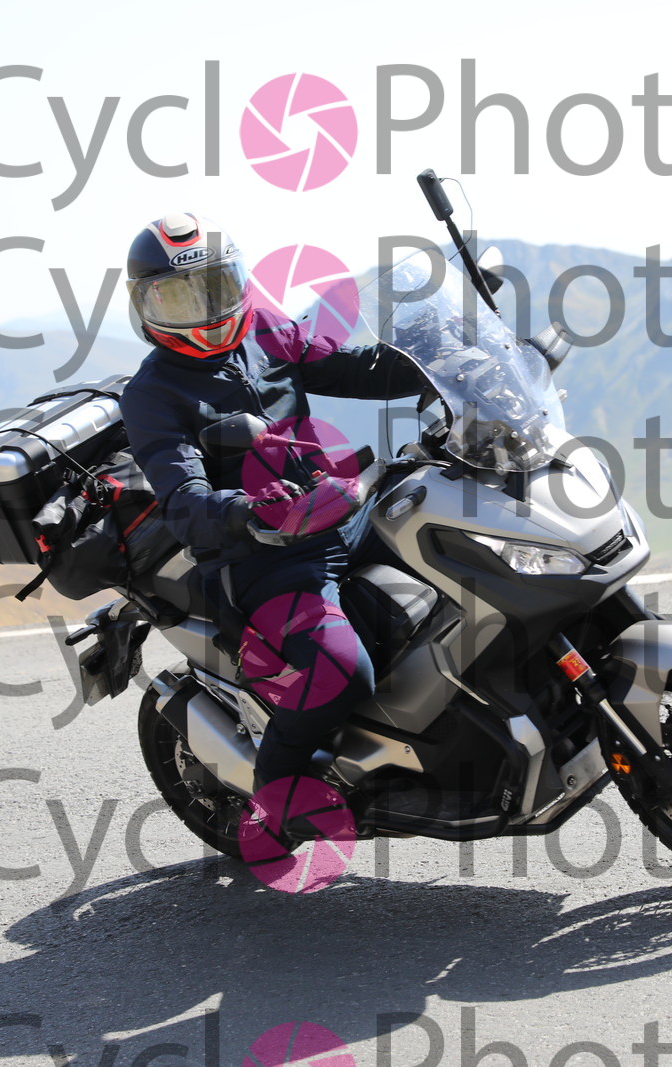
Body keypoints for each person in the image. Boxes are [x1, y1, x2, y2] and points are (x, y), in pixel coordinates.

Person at [119, 212, 424, 791]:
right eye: (179, 297)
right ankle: (275, 796)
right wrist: (248, 509)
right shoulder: (152, 394)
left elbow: (346, 368)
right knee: (341, 671)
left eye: (216, 286)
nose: (205, 310)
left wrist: (440, 362)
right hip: (264, 554)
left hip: (340, 507)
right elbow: (184, 501)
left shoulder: (262, 327)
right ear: (146, 304)